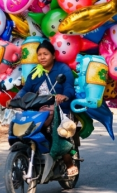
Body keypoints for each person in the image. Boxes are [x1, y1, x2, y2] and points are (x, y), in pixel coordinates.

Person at [8, 40, 79, 177]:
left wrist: (63, 96)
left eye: (45, 54)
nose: (42, 57)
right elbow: (26, 90)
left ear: (53, 55)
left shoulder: (62, 69)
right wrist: (15, 100)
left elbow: (69, 87)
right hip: (38, 111)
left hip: (60, 110)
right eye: (39, 54)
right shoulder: (36, 72)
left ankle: (69, 164)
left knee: (58, 131)